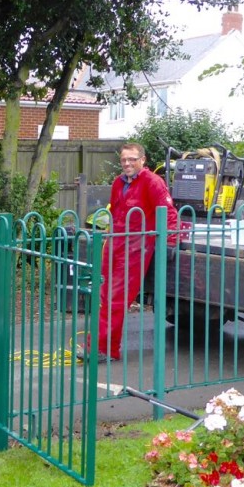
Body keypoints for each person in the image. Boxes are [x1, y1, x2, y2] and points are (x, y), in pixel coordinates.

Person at [89, 143, 179, 362]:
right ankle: (100, 345)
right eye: (123, 160)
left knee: (116, 297)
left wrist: (170, 241)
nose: (127, 163)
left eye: (132, 159)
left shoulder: (152, 182)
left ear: (143, 160)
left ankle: (104, 349)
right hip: (116, 242)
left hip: (136, 246)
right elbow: (116, 211)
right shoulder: (119, 183)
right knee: (103, 295)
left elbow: (169, 213)